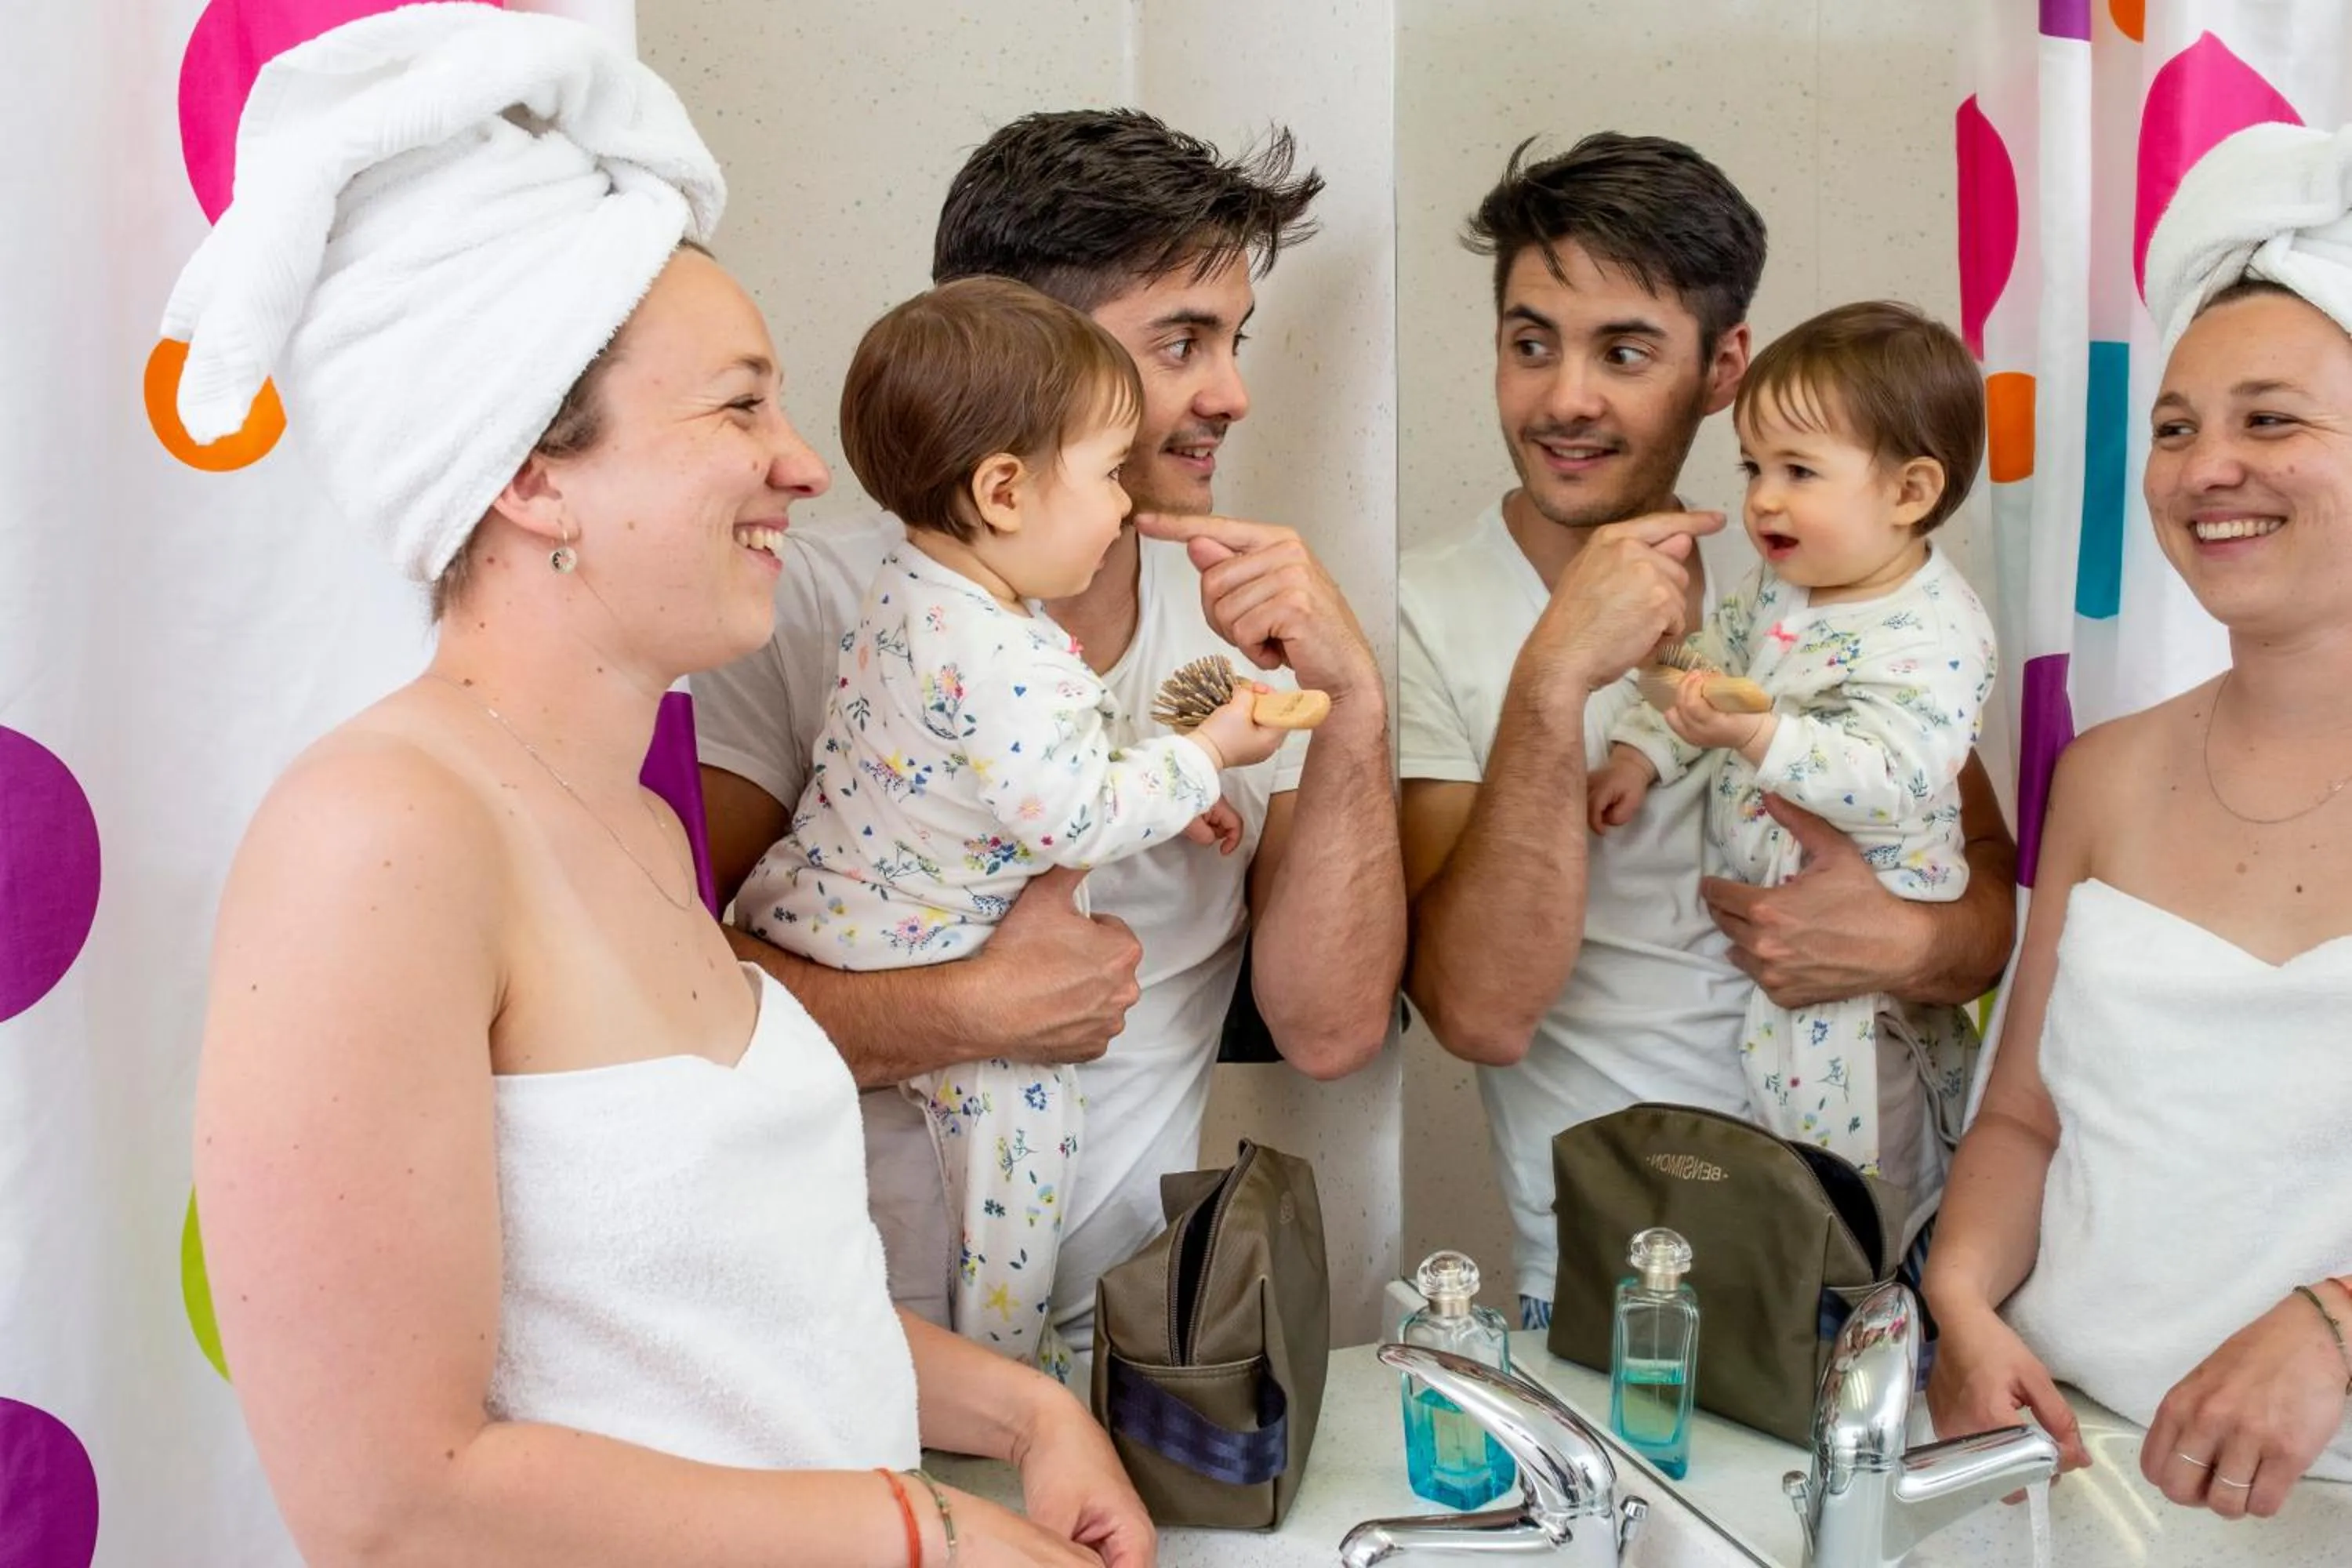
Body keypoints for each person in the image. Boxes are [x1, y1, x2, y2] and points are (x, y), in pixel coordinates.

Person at [185, 12, 1150, 1565]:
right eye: (739, 407)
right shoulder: (375, 835)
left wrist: (1024, 1415)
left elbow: (737, 1313)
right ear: (531, 471)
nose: (803, 465)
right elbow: (394, 1499)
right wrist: (920, 1535)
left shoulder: (638, 822)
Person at [695, 110, 1404, 1370]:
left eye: (1233, 339)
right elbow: (668, 996)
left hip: (1136, 1361)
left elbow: (1334, 1030)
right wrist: (972, 1009)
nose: (1231, 394)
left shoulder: (1251, 627)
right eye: (1181, 342)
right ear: (1029, 355)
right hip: (845, 1340)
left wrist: (1352, 707)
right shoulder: (811, 606)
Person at [1399, 132, 2018, 1326]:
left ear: (1724, 362)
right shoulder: (1425, 610)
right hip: (1616, 1288)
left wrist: (1897, 944)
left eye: (1624, 351)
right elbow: (1476, 1013)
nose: (1566, 397)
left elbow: (1984, 893)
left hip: (1877, 1256)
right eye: (1531, 344)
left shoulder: (1827, 557)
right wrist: (1555, 681)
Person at [1924, 120, 2352, 1522]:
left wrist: (2334, 1323)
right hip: (2076, 1464)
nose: (2206, 468)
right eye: (2176, 428)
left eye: (2270, 420)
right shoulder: (2102, 774)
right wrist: (1964, 1302)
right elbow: (2026, 1121)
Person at [739, 277, 1287, 1372]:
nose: (1126, 508)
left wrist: (1161, 795)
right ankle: (1008, 1370)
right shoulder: (1011, 650)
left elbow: (988, 774)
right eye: (1104, 477)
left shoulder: (911, 587)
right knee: (1023, 1164)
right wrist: (1206, 751)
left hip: (829, 905)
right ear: (1002, 490)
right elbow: (1072, 814)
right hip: (933, 949)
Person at [1591, 301, 1996, 1214]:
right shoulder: (1777, 586)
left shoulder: (1935, 629)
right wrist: (1638, 751)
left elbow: (1897, 777)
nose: (1763, 497)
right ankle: (1801, 1295)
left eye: (1799, 471)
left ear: (1909, 491)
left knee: (1867, 1187)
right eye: (1754, 466)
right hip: (1776, 964)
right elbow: (1705, 672)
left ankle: (1873, 1305)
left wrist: (1760, 735)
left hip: (1871, 982)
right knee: (1782, 1175)